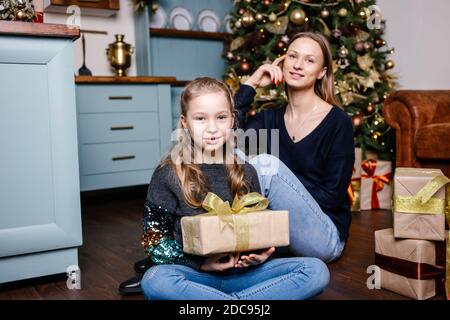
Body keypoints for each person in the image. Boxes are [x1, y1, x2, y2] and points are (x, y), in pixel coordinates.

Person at [139, 77, 329, 300]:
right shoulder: (168, 174)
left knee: (316, 270)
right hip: (197, 276)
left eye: (221, 117)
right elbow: (153, 240)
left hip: (246, 274)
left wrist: (262, 254)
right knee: (155, 280)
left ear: (232, 120)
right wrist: (202, 264)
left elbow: (256, 228)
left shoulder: (246, 171)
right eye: (200, 118)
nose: (212, 128)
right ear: (185, 122)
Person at [233, 32, 355, 263]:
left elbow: (331, 196)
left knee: (265, 165)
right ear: (282, 62)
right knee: (230, 154)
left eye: (309, 60)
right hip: (279, 230)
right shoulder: (269, 120)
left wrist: (280, 192)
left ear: (322, 72)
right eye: (293, 56)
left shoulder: (338, 123)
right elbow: (226, 136)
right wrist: (252, 83)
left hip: (324, 235)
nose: (298, 65)